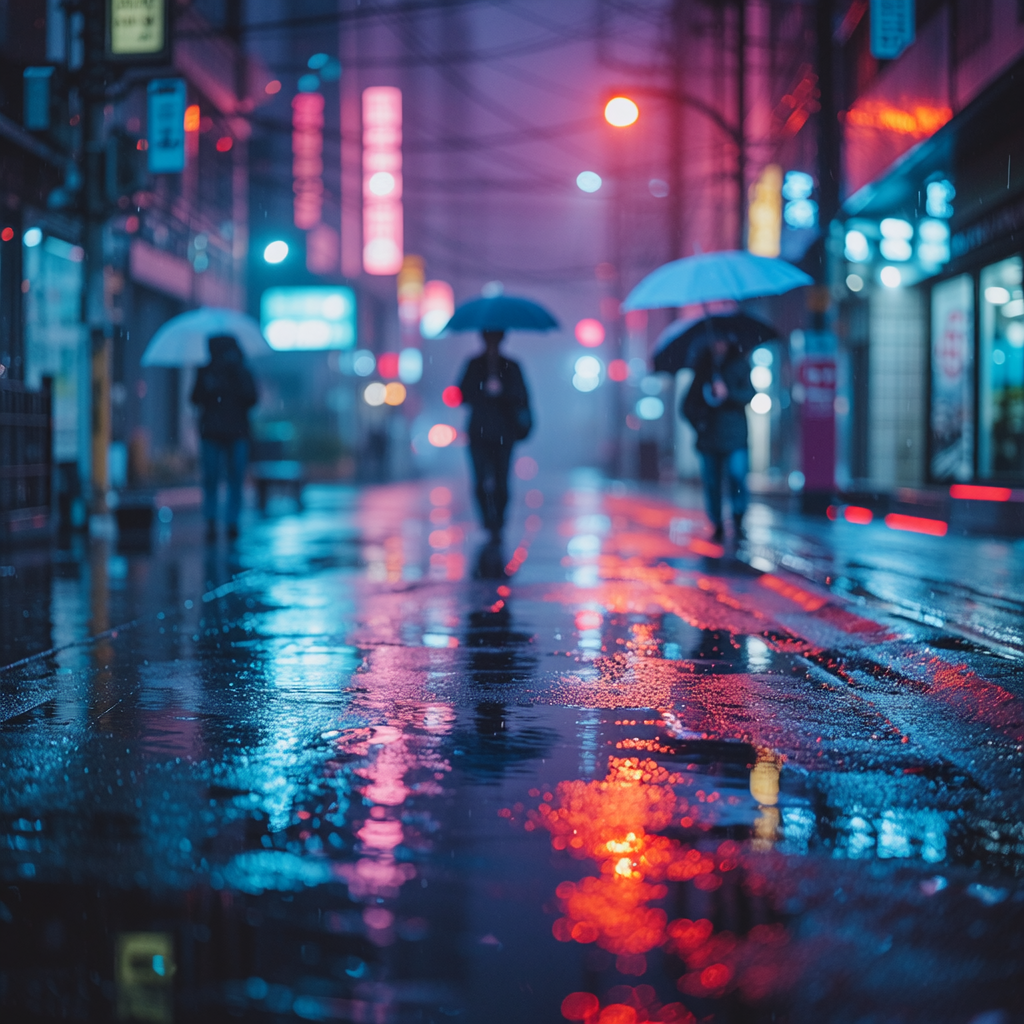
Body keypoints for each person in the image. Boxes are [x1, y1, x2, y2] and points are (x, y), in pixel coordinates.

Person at [458, 329, 533, 543]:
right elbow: (462, 393)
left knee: (501, 480)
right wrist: (483, 389)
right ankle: (487, 520)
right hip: (479, 432)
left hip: (503, 432)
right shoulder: (474, 365)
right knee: (480, 479)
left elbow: (522, 396)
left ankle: (499, 521)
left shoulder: (511, 367)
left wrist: (503, 393)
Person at [682, 336, 755, 542]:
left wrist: (728, 394)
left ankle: (738, 517)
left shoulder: (739, 366)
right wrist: (701, 423)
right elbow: (687, 406)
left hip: (735, 437)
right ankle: (717, 522)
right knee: (712, 482)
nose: (718, 345)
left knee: (736, 475)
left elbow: (749, 394)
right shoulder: (703, 370)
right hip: (709, 439)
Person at [190, 334, 258, 541]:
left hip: (235, 433)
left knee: (234, 478)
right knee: (212, 477)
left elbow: (252, 398)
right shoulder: (206, 371)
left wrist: (234, 376)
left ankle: (231, 521)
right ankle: (213, 520)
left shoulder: (241, 371)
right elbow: (194, 398)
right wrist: (210, 386)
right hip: (214, 432)